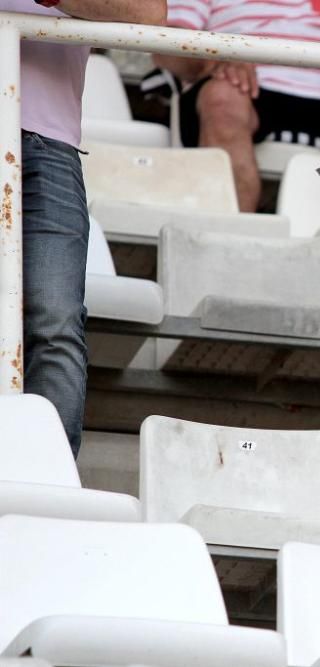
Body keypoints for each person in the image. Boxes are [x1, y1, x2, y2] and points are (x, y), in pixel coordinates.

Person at [4, 0, 166, 458]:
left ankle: (50, 490)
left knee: (54, 326)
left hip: (50, 145)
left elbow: (149, 14)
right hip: (48, 147)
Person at [153, 0, 320, 212]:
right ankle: (228, 238)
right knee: (221, 100)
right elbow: (167, 41)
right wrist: (215, 61)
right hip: (243, 85)